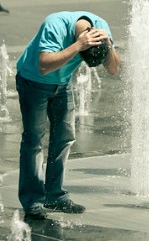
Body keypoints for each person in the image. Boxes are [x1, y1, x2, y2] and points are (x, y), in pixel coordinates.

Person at [16, 11, 121, 220]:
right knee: (34, 140)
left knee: (64, 138)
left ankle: (55, 196)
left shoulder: (101, 27)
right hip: (33, 81)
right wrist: (78, 46)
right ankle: (33, 201)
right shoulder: (54, 24)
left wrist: (108, 44)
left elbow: (114, 69)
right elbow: (44, 65)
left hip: (62, 84)